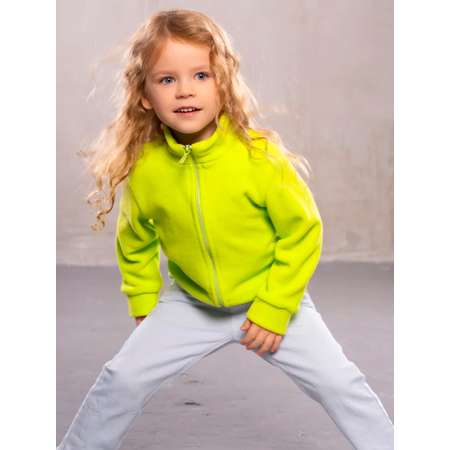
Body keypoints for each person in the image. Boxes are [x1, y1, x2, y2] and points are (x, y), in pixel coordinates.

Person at [57, 9, 394, 450]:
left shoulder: (259, 157)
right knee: (120, 379)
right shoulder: (147, 167)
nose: (185, 90)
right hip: (191, 303)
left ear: (223, 84)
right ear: (144, 96)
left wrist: (275, 307)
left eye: (201, 75)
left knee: (340, 382)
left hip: (269, 296)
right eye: (166, 79)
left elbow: (303, 231)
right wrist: (143, 299)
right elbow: (135, 237)